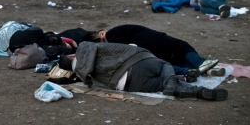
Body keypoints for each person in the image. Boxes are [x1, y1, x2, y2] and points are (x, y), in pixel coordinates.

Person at [59, 42, 228, 101]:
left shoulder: (83, 75)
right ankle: (171, 82)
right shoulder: (84, 48)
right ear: (73, 55)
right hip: (136, 64)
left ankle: (198, 92)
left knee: (162, 84)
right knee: (164, 66)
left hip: (127, 85)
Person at [91, 24, 225, 77]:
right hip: (155, 42)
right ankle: (202, 64)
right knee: (181, 47)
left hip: (151, 50)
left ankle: (197, 70)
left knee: (167, 62)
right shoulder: (113, 34)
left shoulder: (114, 37)